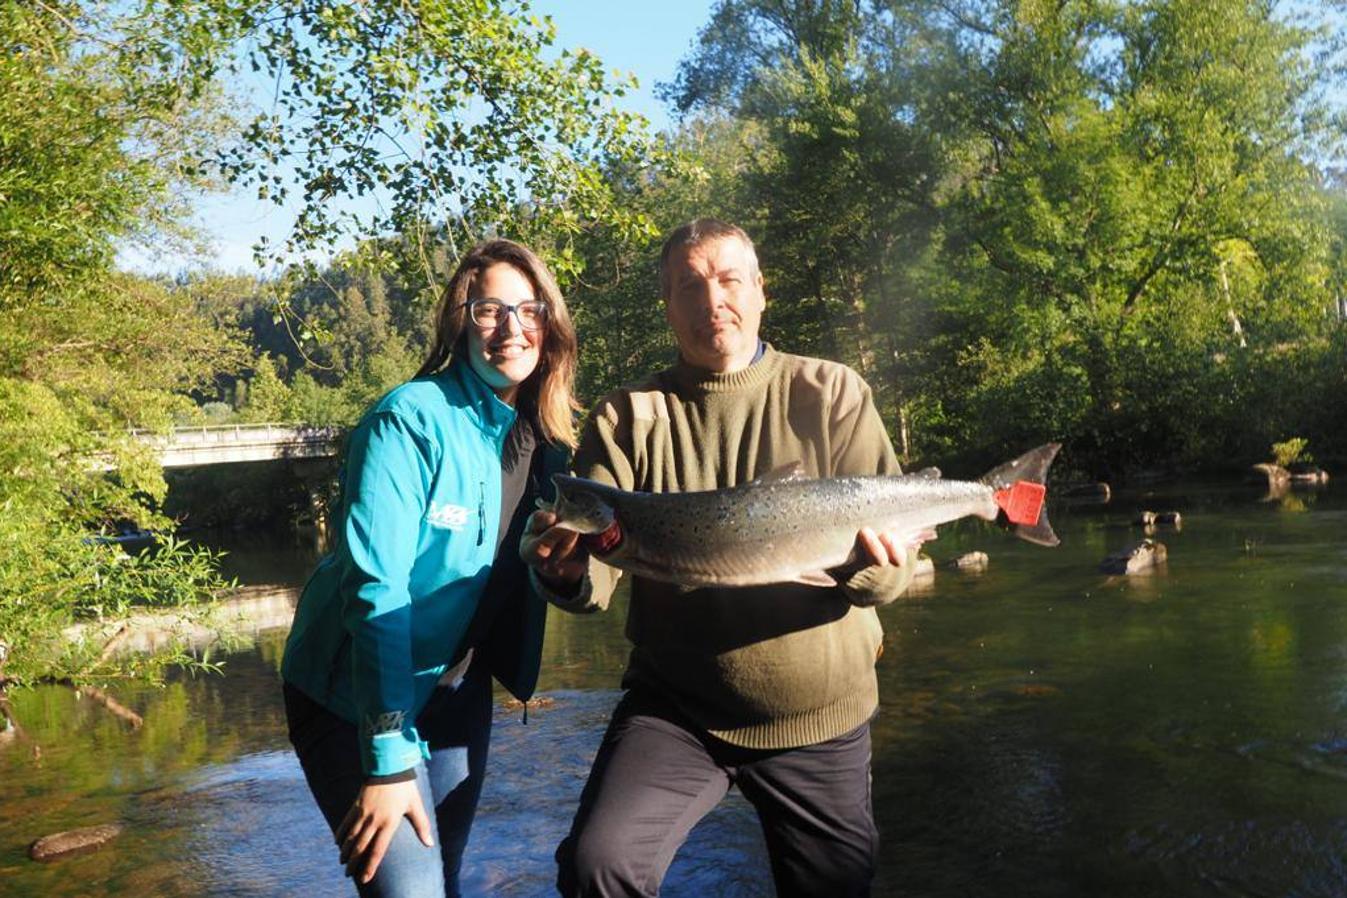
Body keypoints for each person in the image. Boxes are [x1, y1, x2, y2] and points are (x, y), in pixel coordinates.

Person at [522, 218, 925, 897]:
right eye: (689, 286)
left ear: (760, 291)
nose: (712, 300)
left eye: (728, 279)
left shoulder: (831, 392)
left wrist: (877, 566)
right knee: (598, 868)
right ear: (668, 305)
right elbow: (594, 581)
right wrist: (565, 575)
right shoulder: (627, 416)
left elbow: (886, 578)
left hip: (819, 718)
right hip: (675, 713)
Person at [281, 239, 577, 898]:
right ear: (459, 321)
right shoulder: (407, 421)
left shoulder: (552, 445)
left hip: (456, 692)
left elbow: (538, 576)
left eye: (528, 309)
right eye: (489, 310)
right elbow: (374, 592)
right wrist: (386, 758)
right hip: (353, 697)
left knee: (445, 878)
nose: (511, 328)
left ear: (549, 324)